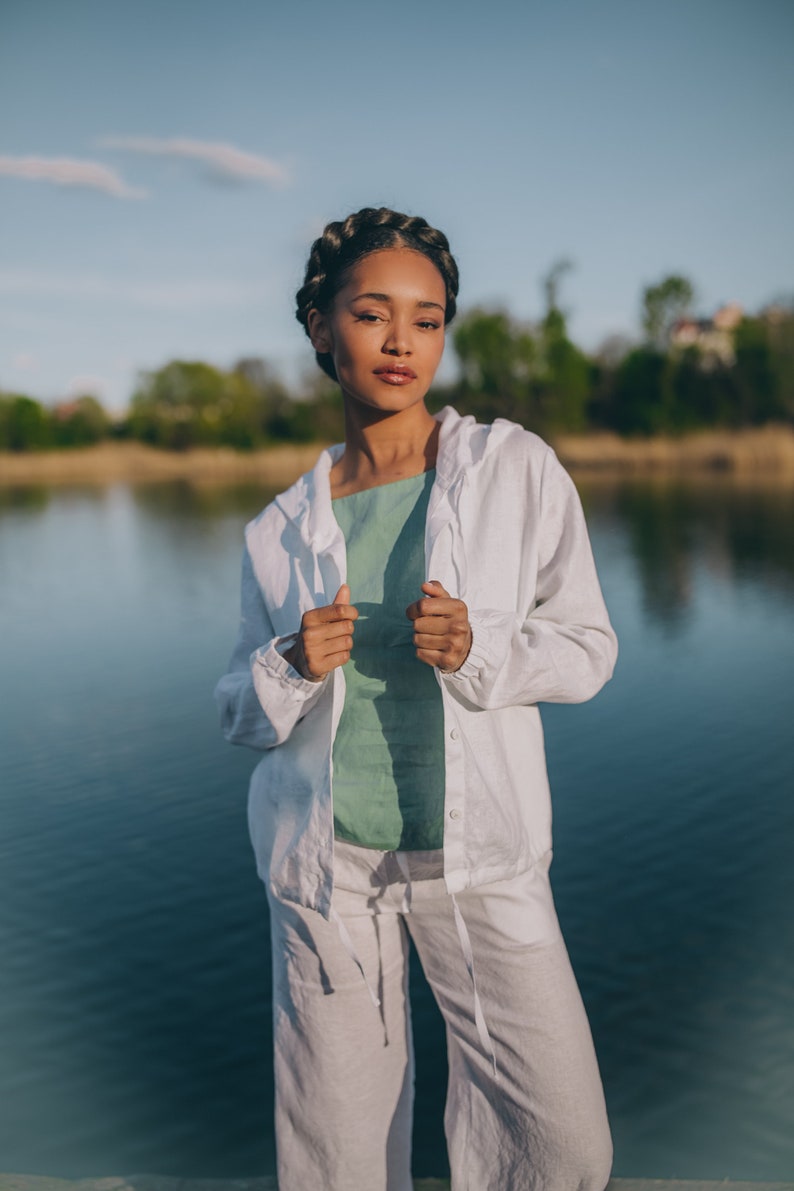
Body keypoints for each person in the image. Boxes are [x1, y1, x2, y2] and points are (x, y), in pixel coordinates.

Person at [215, 206, 618, 1191]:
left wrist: (480, 647)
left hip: (478, 860)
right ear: (319, 325)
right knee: (336, 1159)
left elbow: (585, 650)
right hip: (325, 872)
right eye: (371, 313)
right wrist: (288, 663)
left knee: (560, 1148)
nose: (402, 342)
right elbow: (236, 711)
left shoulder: (510, 470)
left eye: (427, 318)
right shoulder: (278, 530)